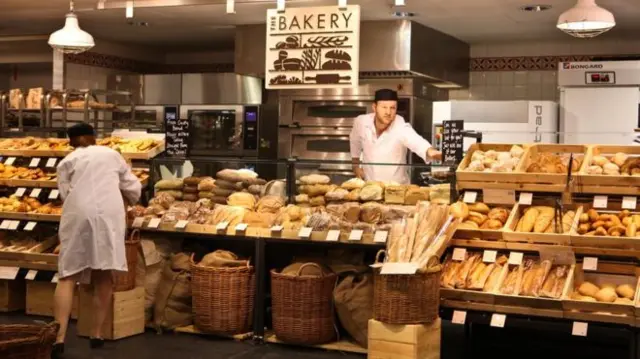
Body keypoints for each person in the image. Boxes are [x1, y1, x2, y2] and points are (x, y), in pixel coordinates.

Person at [52, 123, 141, 358]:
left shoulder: (66, 162)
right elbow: (133, 187)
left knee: (68, 275)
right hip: (109, 214)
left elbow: (64, 193)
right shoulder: (112, 155)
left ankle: (59, 338)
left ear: (72, 141)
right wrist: (131, 200)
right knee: (103, 272)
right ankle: (97, 334)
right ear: (93, 137)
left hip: (78, 213)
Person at [349, 88, 442, 184]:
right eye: (384, 107)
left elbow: (417, 142)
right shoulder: (361, 122)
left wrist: (432, 152)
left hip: (397, 190)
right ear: (374, 107)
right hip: (370, 188)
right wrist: (355, 165)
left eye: (392, 108)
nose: (388, 112)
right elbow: (355, 141)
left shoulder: (400, 125)